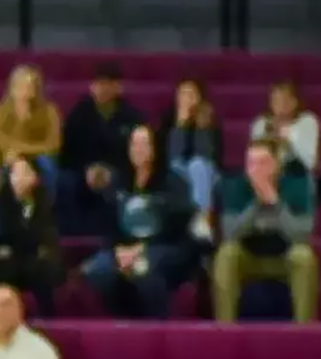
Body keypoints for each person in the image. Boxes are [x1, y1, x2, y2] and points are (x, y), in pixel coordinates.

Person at [79, 124, 194, 318]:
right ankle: (120, 326)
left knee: (143, 269)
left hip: (162, 248)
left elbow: (179, 227)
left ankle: (154, 329)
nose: (138, 149)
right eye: (134, 144)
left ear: (155, 148)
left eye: (144, 144)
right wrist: (118, 250)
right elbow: (109, 224)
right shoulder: (119, 182)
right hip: (124, 249)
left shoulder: (172, 182)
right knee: (98, 270)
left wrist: (141, 249)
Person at [213, 138, 319, 323]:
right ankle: (225, 329)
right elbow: (229, 233)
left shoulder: (297, 185)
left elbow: (302, 234)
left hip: (284, 257)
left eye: (263, 163)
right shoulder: (235, 186)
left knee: (305, 257)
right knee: (226, 254)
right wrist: (256, 204)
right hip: (248, 256)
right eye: (251, 164)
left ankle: (304, 331)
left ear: (277, 165)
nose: (256, 170)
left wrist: (275, 202)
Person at [57, 62, 142, 236]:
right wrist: (87, 169)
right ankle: (70, 236)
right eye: (99, 84)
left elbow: (135, 156)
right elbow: (67, 153)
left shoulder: (131, 117)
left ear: (118, 87)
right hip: (83, 172)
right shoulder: (79, 114)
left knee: (118, 187)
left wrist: (109, 171)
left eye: (108, 84)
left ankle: (114, 237)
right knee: (65, 182)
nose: (103, 89)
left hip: (116, 173)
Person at [0, 66, 61, 214]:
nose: (24, 92)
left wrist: (23, 152)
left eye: (29, 87)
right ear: (11, 88)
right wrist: (18, 157)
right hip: (7, 156)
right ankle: (1, 214)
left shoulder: (50, 111)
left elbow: (53, 144)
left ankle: (44, 210)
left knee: (47, 165)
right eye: (20, 86)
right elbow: (1, 143)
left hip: (40, 156)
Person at [0, 156, 60, 316]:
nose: (21, 178)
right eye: (16, 173)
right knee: (4, 264)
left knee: (46, 266)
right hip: (9, 258)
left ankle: (46, 317)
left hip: (32, 259)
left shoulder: (43, 203)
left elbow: (47, 235)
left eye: (26, 172)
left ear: (36, 178)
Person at [156, 77, 222, 223]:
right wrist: (180, 126)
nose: (187, 100)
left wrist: (202, 129)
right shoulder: (168, 120)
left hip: (209, 174)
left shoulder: (210, 121)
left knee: (198, 165)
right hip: (177, 174)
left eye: (191, 95)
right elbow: (173, 160)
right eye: (183, 94)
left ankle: (202, 216)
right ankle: (203, 218)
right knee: (192, 167)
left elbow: (208, 156)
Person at [252, 80, 321, 186]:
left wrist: (288, 138)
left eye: (283, 100)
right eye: (275, 100)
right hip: (267, 178)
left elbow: (309, 163)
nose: (279, 105)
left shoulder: (307, 122)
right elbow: (254, 159)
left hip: (298, 178)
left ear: (295, 102)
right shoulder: (261, 123)